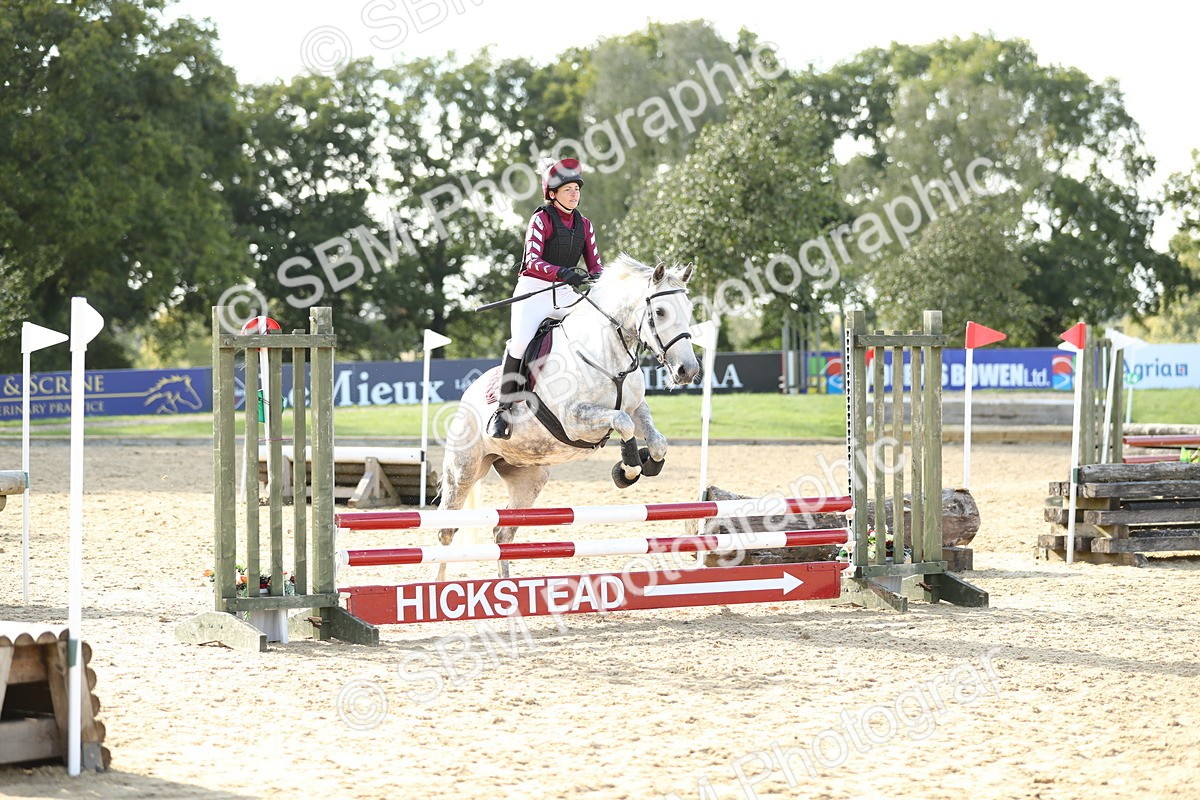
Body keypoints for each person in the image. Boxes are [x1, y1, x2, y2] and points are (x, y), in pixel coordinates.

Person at [487, 157, 605, 439]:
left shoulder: (584, 225)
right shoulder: (540, 219)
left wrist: (603, 280)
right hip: (533, 290)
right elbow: (532, 261)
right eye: (568, 189)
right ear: (552, 194)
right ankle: (502, 411)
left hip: (564, 293)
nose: (575, 193)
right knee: (520, 342)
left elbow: (596, 265)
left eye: (577, 188)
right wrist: (564, 272)